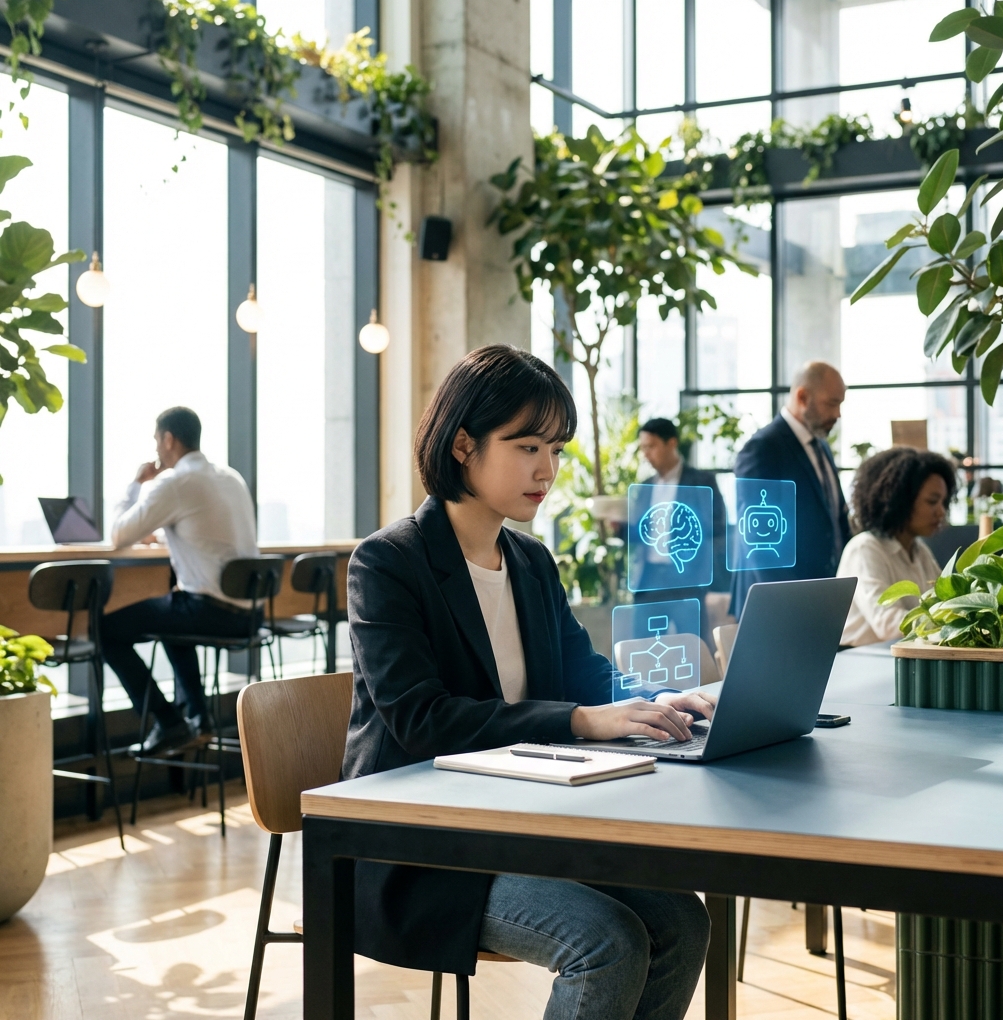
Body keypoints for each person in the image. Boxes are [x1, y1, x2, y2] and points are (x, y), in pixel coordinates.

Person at [345, 345, 716, 1020]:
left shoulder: (531, 561)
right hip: (422, 843)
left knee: (684, 922)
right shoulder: (389, 563)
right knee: (605, 942)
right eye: (527, 447)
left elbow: (582, 670)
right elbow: (423, 720)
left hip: (522, 822)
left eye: (556, 449)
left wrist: (652, 700)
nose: (547, 469)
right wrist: (578, 721)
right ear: (463, 445)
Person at [101, 407, 259, 755]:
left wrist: (135, 485)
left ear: (169, 439)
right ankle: (199, 720)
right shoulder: (230, 477)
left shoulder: (174, 482)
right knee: (172, 615)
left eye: (157, 440)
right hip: (250, 615)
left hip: (211, 612)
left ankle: (169, 722)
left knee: (105, 631)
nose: (156, 448)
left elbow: (118, 535)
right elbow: (202, 531)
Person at [730, 361, 851, 618]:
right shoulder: (763, 448)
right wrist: (787, 605)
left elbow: (834, 519)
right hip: (777, 604)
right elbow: (758, 539)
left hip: (821, 596)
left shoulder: (821, 447)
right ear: (802, 397)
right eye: (832, 403)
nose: (838, 414)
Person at [837, 446, 957, 646]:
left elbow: (945, 602)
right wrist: (951, 623)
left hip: (897, 654)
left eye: (943, 502)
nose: (941, 512)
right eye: (932, 501)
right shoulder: (865, 548)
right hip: (859, 656)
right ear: (901, 500)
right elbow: (887, 623)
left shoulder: (919, 550)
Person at [635, 417, 727, 641]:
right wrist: (618, 527)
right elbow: (639, 533)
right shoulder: (645, 487)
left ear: (672, 443)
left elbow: (718, 526)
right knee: (642, 650)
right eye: (643, 448)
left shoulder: (701, 481)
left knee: (693, 647)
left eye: (651, 446)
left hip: (687, 580)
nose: (646, 454)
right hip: (649, 580)